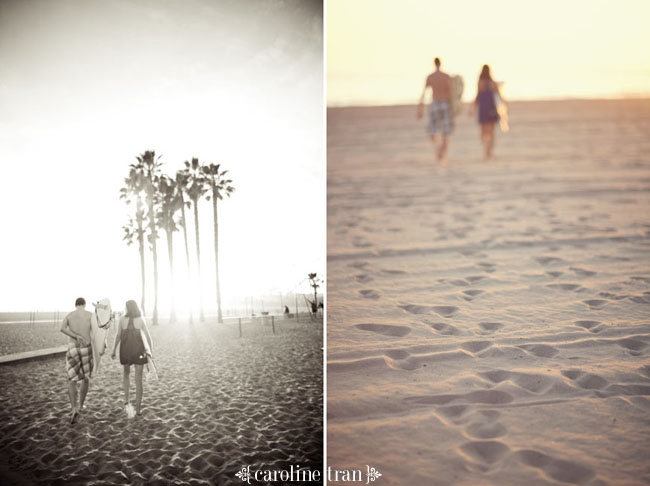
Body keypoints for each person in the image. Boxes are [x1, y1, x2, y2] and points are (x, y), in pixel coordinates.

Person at [111, 300, 153, 417]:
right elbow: (149, 338)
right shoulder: (140, 319)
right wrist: (150, 353)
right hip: (139, 352)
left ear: (127, 308)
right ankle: (138, 409)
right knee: (138, 379)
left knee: (126, 373)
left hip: (126, 351)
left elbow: (118, 335)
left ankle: (126, 399)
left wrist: (114, 349)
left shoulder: (122, 320)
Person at [60, 297, 93, 424]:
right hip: (86, 347)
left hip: (73, 347)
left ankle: (73, 408)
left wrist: (75, 335)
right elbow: (97, 332)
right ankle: (81, 405)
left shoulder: (70, 315)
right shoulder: (90, 315)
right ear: (84, 305)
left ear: (76, 305)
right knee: (85, 378)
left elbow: (62, 328)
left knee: (71, 379)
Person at [417, 57, 453, 162]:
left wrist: (420, 108)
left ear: (434, 64)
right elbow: (451, 93)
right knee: (446, 131)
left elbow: (424, 94)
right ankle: (441, 149)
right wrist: (454, 108)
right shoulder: (446, 76)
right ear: (440, 64)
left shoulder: (430, 77)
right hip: (445, 104)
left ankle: (439, 148)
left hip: (435, 104)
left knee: (432, 130)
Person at [474, 64, 504, 161]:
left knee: (484, 132)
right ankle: (489, 152)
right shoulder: (493, 83)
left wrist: (473, 108)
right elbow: (500, 96)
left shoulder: (480, 83)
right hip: (491, 109)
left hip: (483, 110)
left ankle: (486, 151)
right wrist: (504, 106)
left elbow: (477, 97)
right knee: (491, 133)